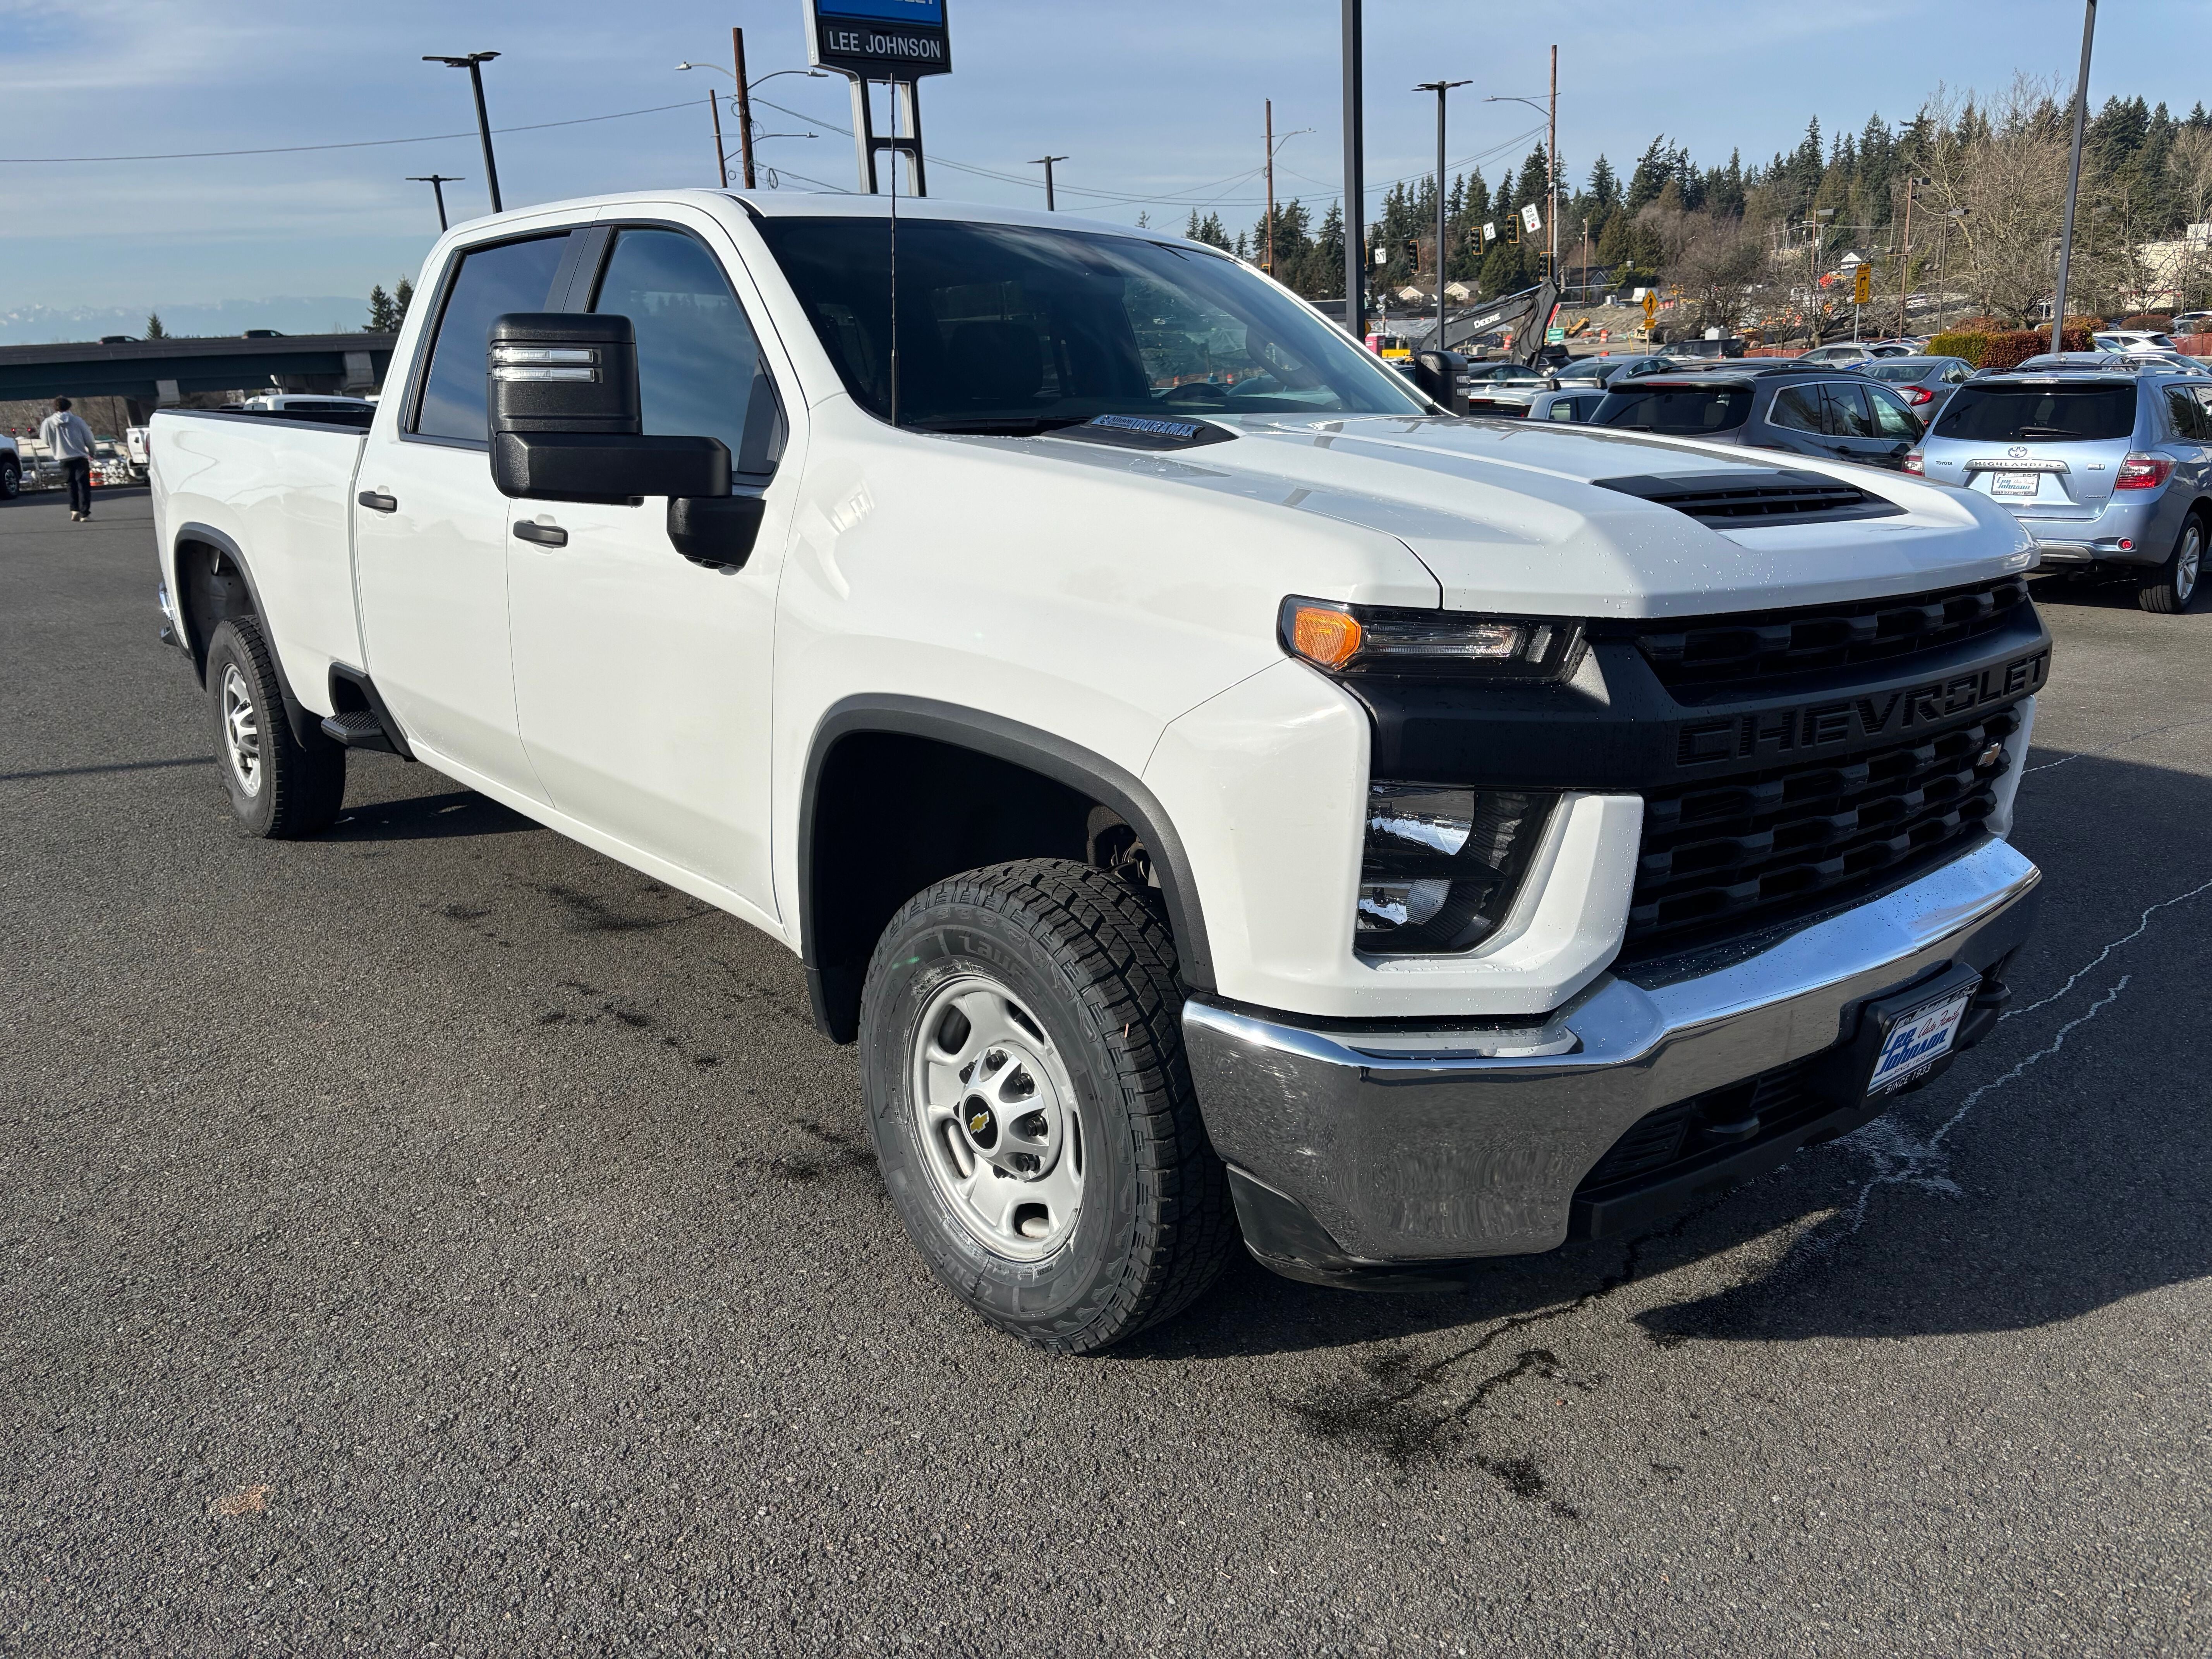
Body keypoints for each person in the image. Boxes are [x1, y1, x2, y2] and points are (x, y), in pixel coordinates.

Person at [40, 397, 96, 521]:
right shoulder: (77, 421)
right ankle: (85, 514)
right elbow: (89, 438)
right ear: (69, 407)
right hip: (80, 457)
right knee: (83, 485)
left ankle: (74, 509)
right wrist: (92, 451)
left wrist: (55, 445)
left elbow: (44, 440)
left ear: (55, 408)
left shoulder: (48, 423)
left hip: (63, 458)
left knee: (71, 484)